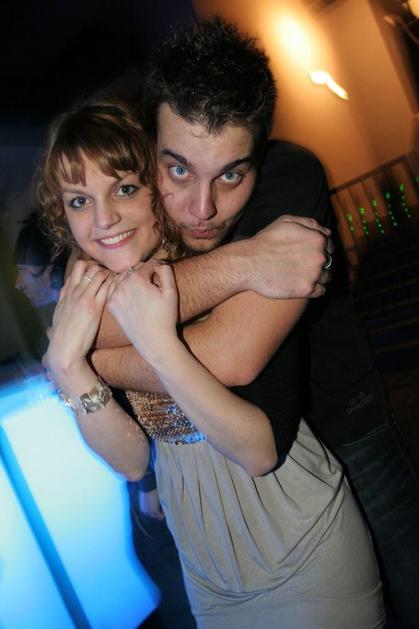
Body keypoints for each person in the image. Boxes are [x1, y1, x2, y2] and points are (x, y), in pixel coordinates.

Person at [88, 18, 419, 629]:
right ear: (149, 147)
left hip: (345, 423)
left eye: (231, 174)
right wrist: (246, 261)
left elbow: (231, 357)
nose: (202, 208)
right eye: (179, 169)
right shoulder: (135, 199)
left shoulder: (291, 175)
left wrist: (87, 357)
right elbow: (86, 299)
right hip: (237, 495)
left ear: (259, 156)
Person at [39, 96, 384, 628]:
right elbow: (131, 462)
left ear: (157, 189)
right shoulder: (88, 302)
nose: (104, 219)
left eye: (124, 189)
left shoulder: (220, 264)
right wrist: (67, 367)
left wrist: (149, 345)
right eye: (79, 201)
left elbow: (258, 451)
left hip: (301, 548)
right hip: (207, 575)